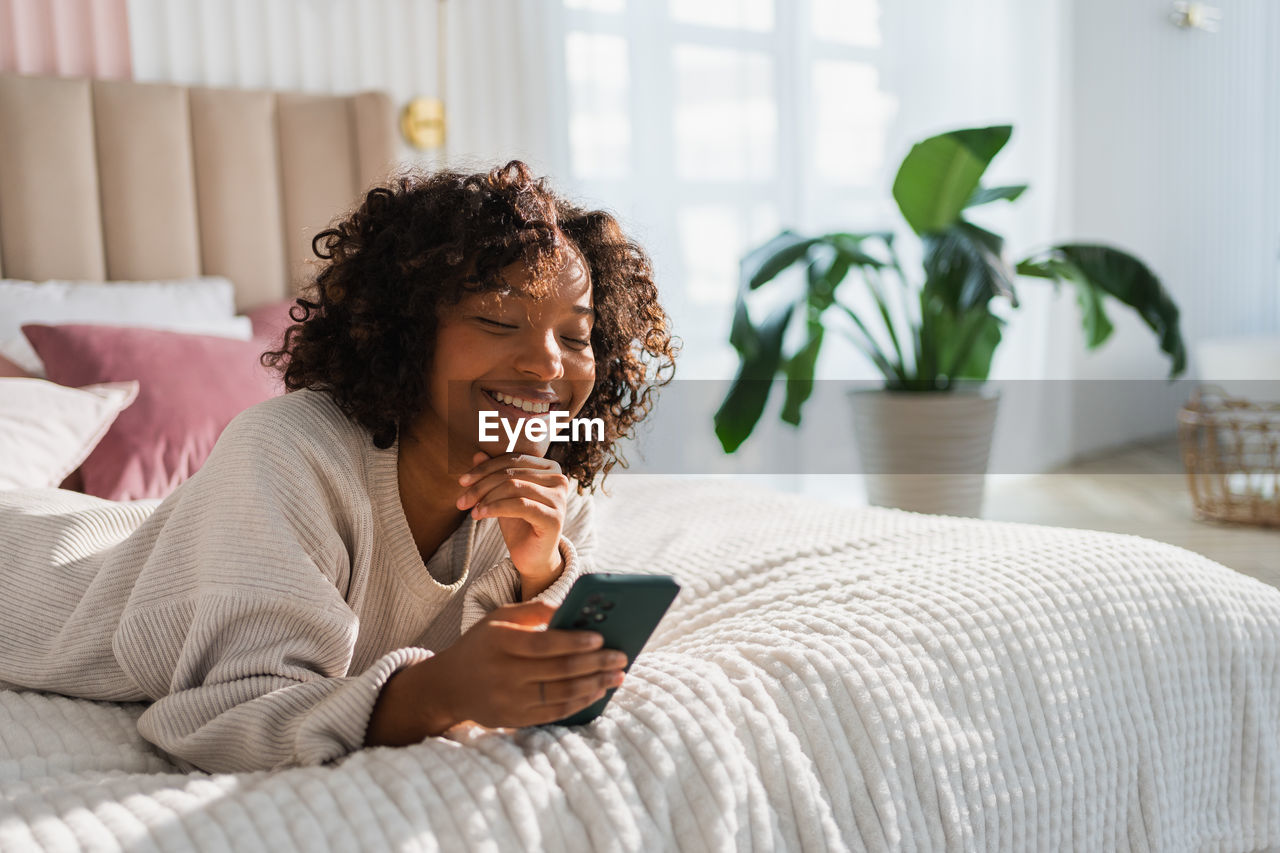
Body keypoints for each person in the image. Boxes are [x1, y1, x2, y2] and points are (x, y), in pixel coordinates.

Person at [0, 161, 677, 773]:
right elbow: (218, 717)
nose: (548, 366)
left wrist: (542, 573)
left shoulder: (551, 498)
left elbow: (532, 676)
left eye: (575, 335)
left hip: (174, 527)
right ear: (407, 330)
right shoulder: (287, 450)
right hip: (32, 563)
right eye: (500, 320)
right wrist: (436, 693)